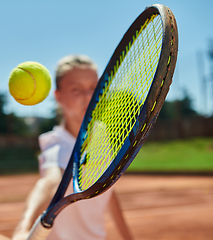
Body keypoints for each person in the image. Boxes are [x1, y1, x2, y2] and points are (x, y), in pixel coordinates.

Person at [12, 55, 134, 240]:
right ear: (58, 96)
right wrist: (24, 227)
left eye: (93, 88)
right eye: (76, 89)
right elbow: (49, 182)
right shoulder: (54, 142)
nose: (87, 96)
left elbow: (107, 190)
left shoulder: (101, 134)